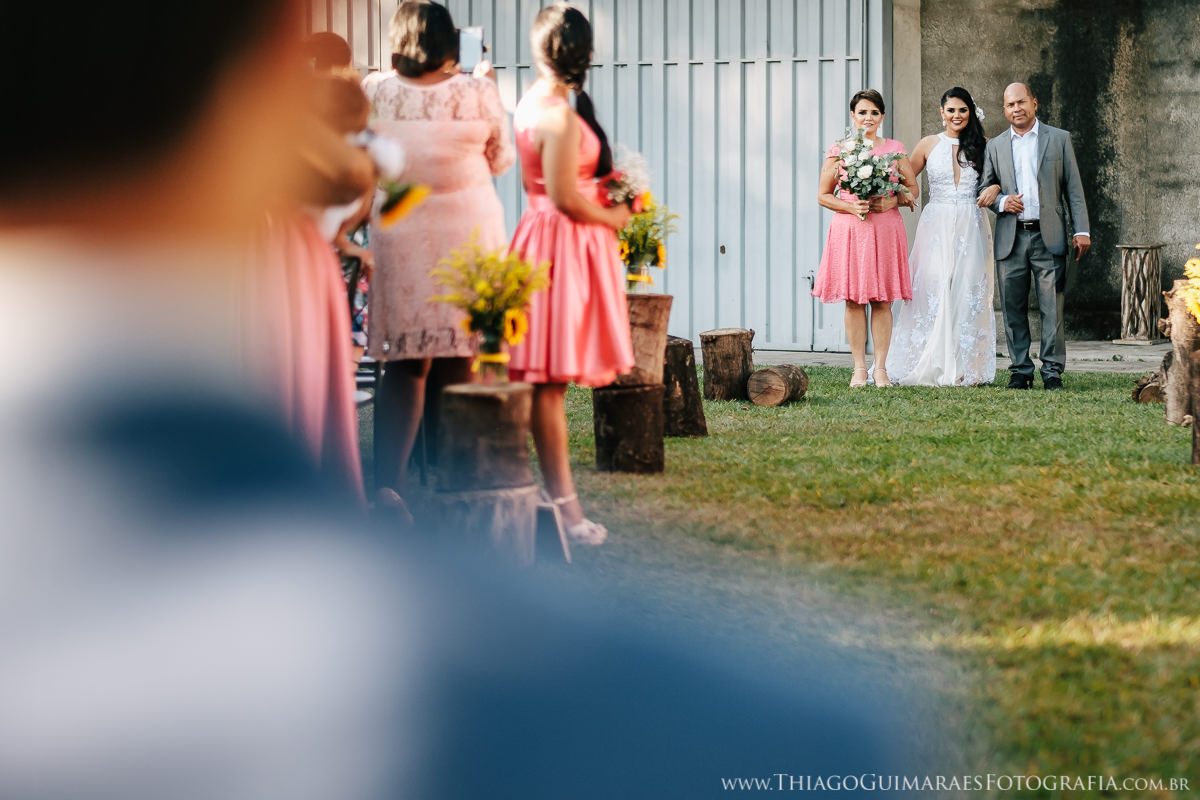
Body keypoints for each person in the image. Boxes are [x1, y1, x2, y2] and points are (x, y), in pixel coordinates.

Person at [363, 0, 515, 518]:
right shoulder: (477, 90)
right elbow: (502, 159)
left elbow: (360, 158)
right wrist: (484, 83)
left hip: (401, 231)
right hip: (469, 231)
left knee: (405, 367)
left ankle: (390, 489)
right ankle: (455, 476)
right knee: (459, 356)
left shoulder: (375, 90)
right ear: (450, 41)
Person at [507, 4, 635, 545]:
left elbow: (535, 189)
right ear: (584, 55)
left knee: (542, 382)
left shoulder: (533, 103)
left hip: (542, 236)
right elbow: (561, 195)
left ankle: (542, 494)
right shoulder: (558, 114)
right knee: (549, 384)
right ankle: (565, 508)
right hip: (562, 243)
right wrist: (613, 216)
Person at [977, 82, 1090, 391]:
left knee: (1052, 308)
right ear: (1005, 110)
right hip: (1011, 238)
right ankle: (1021, 370)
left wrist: (1081, 229)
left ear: (1034, 103)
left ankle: (1052, 371)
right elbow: (983, 189)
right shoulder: (995, 146)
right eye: (1010, 105)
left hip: (1047, 235)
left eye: (1021, 102)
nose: (1017, 108)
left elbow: (1074, 190)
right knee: (1012, 308)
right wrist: (1001, 202)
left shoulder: (1059, 139)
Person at [887, 87, 998, 387]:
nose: (956, 115)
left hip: (971, 223)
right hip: (936, 225)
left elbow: (999, 180)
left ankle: (965, 366)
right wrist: (888, 195)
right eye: (951, 110)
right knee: (932, 288)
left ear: (970, 113)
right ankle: (928, 359)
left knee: (968, 290)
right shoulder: (928, 144)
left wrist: (996, 189)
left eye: (962, 110)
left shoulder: (984, 145)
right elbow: (905, 182)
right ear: (942, 112)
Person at [812, 89, 920, 388]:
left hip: (885, 228)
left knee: (882, 300)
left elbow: (913, 189)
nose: (868, 118)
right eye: (862, 112)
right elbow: (822, 195)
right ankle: (859, 368)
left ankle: (881, 368)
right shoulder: (840, 151)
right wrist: (850, 205)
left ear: (882, 116)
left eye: (874, 112)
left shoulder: (895, 149)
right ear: (853, 116)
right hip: (851, 230)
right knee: (853, 300)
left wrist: (894, 199)